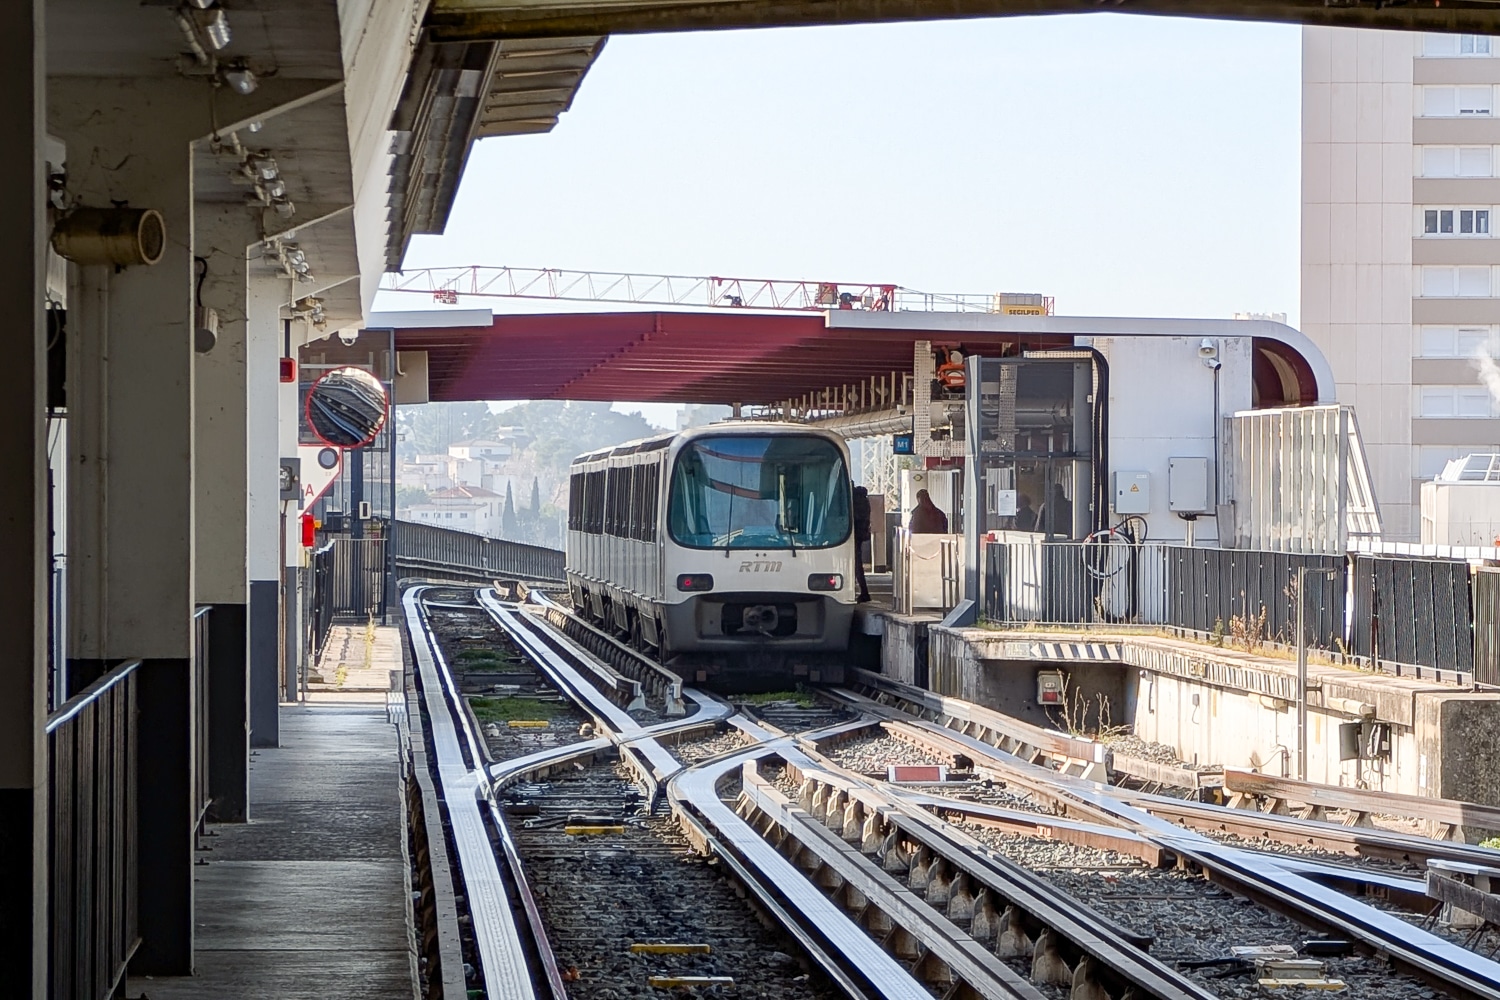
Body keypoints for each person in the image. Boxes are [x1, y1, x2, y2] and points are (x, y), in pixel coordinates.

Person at [852, 486, 872, 602]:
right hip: (860, 535)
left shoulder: (857, 502)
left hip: (854, 536)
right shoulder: (865, 501)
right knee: (857, 564)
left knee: (857, 565)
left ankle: (864, 592)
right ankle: (862, 591)